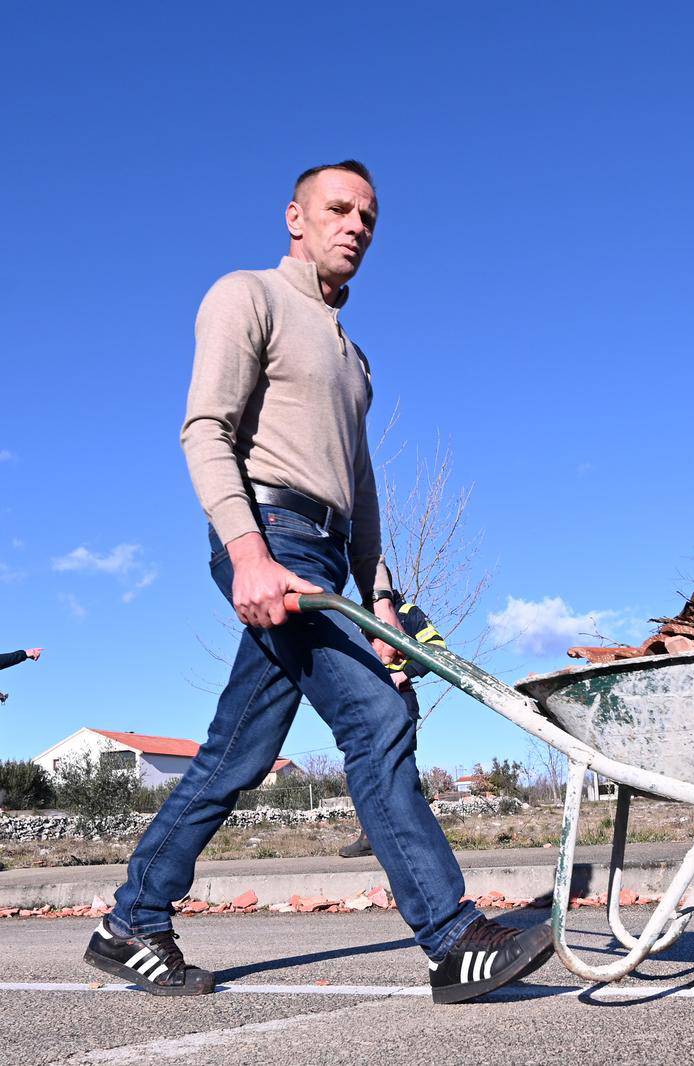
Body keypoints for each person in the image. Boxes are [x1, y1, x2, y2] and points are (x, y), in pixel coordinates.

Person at [85, 161, 551, 1004]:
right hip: (270, 535)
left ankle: (131, 923)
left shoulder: (353, 359)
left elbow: (362, 490)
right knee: (377, 717)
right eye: (339, 209)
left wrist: (382, 606)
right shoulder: (248, 295)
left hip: (328, 552)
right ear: (295, 217)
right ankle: (452, 939)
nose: (357, 226)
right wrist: (249, 551)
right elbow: (204, 429)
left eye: (369, 217)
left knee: (238, 753)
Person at [339, 596, 449, 860]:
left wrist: (404, 673)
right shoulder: (358, 614)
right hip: (366, 697)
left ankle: (417, 839)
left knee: (401, 766)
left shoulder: (407, 612)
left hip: (398, 696)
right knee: (364, 766)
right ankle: (369, 837)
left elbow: (437, 648)